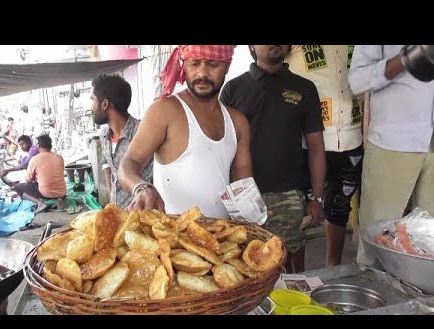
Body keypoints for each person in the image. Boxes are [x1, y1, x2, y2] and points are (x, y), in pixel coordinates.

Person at [220, 45, 326, 273]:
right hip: (244, 197)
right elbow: (221, 148)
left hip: (288, 196)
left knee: (290, 265)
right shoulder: (232, 89)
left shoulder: (304, 88)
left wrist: (317, 198)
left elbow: (316, 147)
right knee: (245, 267)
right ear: (251, 47)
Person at [118, 45, 253, 218]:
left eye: (213, 65)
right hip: (172, 239)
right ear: (184, 64)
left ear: (228, 65)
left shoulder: (238, 122)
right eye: (194, 64)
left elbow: (243, 184)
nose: (202, 73)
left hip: (221, 238)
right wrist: (141, 188)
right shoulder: (164, 110)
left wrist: (253, 211)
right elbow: (128, 163)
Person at [348, 45, 434, 266]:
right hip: (393, 143)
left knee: (429, 242)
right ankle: (374, 295)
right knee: (377, 243)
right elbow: (357, 81)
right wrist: (403, 60)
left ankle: (422, 300)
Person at [285, 45, 364, 268]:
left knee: (338, 208)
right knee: (297, 210)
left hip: (350, 137)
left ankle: (333, 268)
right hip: (306, 140)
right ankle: (297, 276)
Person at [91, 73, 153, 208]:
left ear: (105, 104)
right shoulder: (104, 136)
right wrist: (110, 202)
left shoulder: (144, 132)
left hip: (143, 216)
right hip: (118, 214)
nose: (91, 107)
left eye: (93, 99)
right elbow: (107, 168)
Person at [14, 134, 66, 214]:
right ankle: (58, 199)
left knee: (18, 187)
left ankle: (40, 203)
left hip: (46, 193)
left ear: (39, 146)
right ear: (50, 145)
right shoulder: (59, 158)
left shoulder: (35, 159)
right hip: (62, 193)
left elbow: (28, 179)